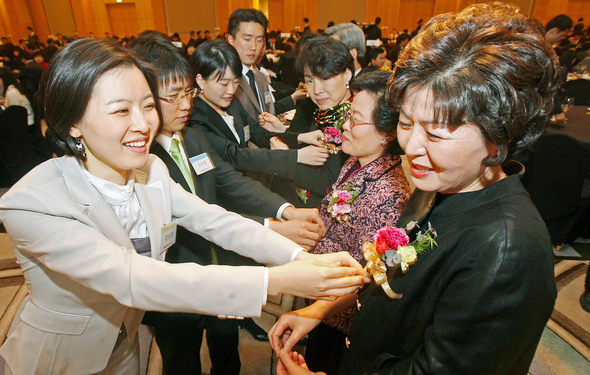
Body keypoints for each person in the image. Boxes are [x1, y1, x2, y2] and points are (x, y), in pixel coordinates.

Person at [0, 38, 368, 374]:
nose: (143, 124)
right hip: (58, 359)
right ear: (74, 122)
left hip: (127, 347)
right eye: (120, 111)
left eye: (147, 106)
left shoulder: (150, 169)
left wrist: (296, 258)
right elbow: (131, 277)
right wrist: (278, 280)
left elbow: (212, 219)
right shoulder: (33, 204)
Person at [270, 2, 559, 374]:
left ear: (497, 133)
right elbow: (385, 269)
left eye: (435, 133)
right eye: (406, 124)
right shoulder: (435, 185)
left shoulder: (507, 253)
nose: (411, 147)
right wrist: (321, 308)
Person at [130, 34, 327, 374]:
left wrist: (287, 210)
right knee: (181, 361)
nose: (185, 105)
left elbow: (228, 181)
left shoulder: (191, 136)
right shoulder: (139, 158)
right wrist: (275, 229)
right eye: (173, 97)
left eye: (187, 93)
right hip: (174, 284)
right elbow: (183, 219)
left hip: (219, 267)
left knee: (226, 351)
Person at [303, 70, 410, 375]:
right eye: (348, 116)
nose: (345, 126)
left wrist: (317, 310)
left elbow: (370, 277)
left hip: (341, 316)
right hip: (322, 294)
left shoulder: (391, 195)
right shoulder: (356, 161)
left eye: (355, 120)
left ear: (387, 133)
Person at [188, 39, 332, 206]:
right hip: (222, 198)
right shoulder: (195, 118)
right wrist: (296, 156)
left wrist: (300, 137)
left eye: (235, 82)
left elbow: (258, 132)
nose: (230, 90)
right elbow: (235, 155)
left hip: (246, 186)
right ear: (200, 80)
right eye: (223, 83)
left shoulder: (230, 103)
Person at [227, 8, 305, 120]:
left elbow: (269, 115)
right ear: (231, 39)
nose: (253, 47)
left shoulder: (260, 77)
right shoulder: (225, 80)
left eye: (259, 40)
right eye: (247, 39)